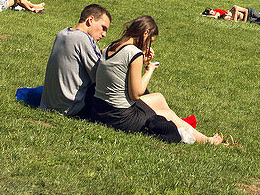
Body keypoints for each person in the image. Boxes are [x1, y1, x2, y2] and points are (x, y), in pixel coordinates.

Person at [86, 16, 222, 144]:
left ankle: (179, 125)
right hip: (119, 117)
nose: (148, 45)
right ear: (146, 33)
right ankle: (207, 140)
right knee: (168, 114)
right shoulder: (134, 53)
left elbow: (118, 72)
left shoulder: (111, 46)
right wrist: (149, 70)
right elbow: (136, 94)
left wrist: (142, 60)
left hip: (100, 109)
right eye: (151, 41)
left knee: (158, 98)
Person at [40, 4, 112, 116]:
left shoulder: (62, 33)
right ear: (90, 20)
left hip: (48, 104)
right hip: (71, 108)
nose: (104, 34)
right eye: (103, 28)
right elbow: (100, 78)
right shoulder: (82, 39)